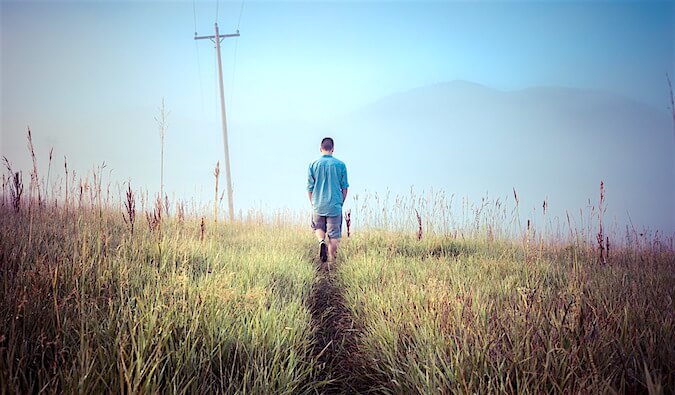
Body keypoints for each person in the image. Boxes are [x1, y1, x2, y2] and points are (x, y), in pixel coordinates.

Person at [307, 137, 349, 263]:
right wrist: (340, 203)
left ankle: (321, 242)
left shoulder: (313, 164)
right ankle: (331, 264)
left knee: (318, 228)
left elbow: (310, 188)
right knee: (334, 236)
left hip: (318, 204)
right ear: (333, 149)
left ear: (321, 149)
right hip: (334, 205)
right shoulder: (341, 165)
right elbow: (345, 188)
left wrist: (313, 203)